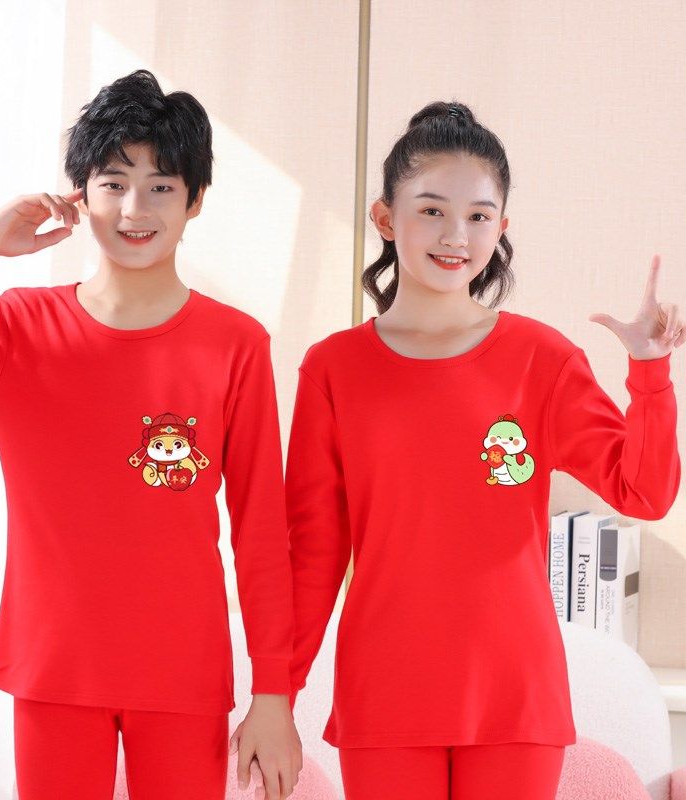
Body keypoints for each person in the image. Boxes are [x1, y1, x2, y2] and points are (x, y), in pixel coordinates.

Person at [0, 69, 301, 800]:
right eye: (113, 183)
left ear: (196, 199)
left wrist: (275, 694)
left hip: (183, 675)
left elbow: (262, 531)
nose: (135, 209)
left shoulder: (235, 344)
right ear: (80, 194)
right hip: (53, 669)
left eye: (161, 186)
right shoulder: (18, 328)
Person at [284, 100, 682, 800]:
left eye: (478, 215)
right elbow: (313, 554)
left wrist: (649, 374)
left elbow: (643, 492)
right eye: (432, 210)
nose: (455, 235)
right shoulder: (333, 369)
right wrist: (275, 697)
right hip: (385, 692)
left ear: (501, 227)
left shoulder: (541, 360)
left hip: (514, 696)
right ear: (385, 218)